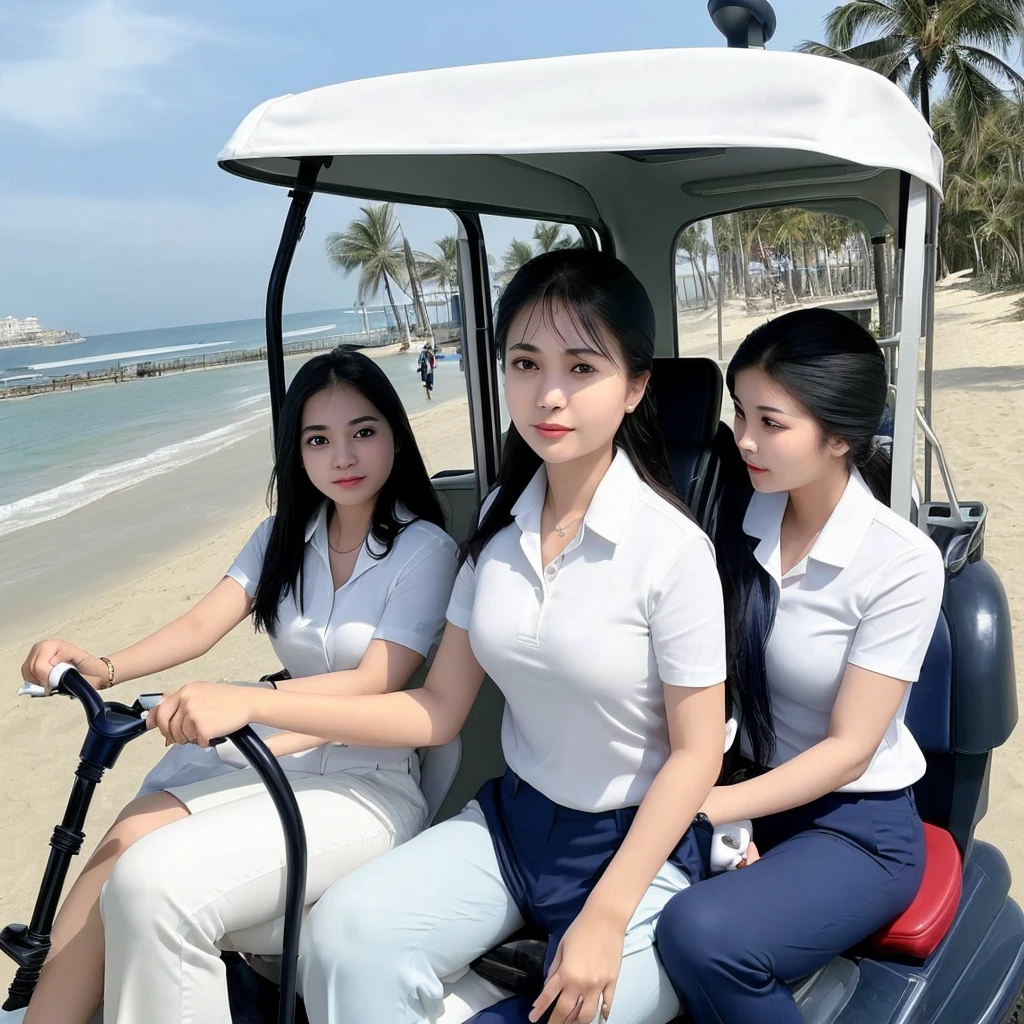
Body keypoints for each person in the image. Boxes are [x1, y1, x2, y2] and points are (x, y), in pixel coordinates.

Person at [146, 249, 728, 1024]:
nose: (549, 394)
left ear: (635, 387)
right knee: (338, 942)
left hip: (635, 846)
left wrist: (607, 914)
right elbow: (438, 706)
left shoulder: (673, 551)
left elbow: (697, 752)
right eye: (526, 362)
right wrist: (260, 706)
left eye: (582, 367)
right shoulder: (499, 520)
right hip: (515, 825)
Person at [15, 349, 458, 1024]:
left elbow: (376, 681)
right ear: (297, 452)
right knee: (122, 838)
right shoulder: (282, 537)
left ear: (395, 434)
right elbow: (200, 623)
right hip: (274, 751)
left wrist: (250, 704)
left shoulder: (424, 549)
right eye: (319, 439)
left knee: (150, 882)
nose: (343, 455)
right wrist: (103, 666)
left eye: (363, 431)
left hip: (365, 780)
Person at [654, 308, 945, 1024]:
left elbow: (850, 751)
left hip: (855, 826)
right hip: (741, 788)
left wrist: (713, 809)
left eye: (771, 423)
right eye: (739, 413)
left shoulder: (900, 561)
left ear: (839, 437)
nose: (743, 440)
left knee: (701, 935)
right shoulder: (730, 517)